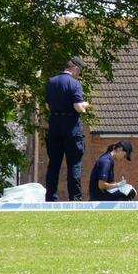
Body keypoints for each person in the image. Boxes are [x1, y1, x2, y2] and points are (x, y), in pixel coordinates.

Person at [45, 56, 90, 201]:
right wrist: (85, 105)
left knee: (54, 164)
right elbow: (78, 107)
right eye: (80, 72)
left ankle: (51, 197)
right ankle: (75, 198)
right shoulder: (74, 84)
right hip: (71, 128)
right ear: (75, 68)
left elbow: (47, 106)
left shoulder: (51, 82)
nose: (79, 75)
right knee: (74, 164)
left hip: (54, 126)